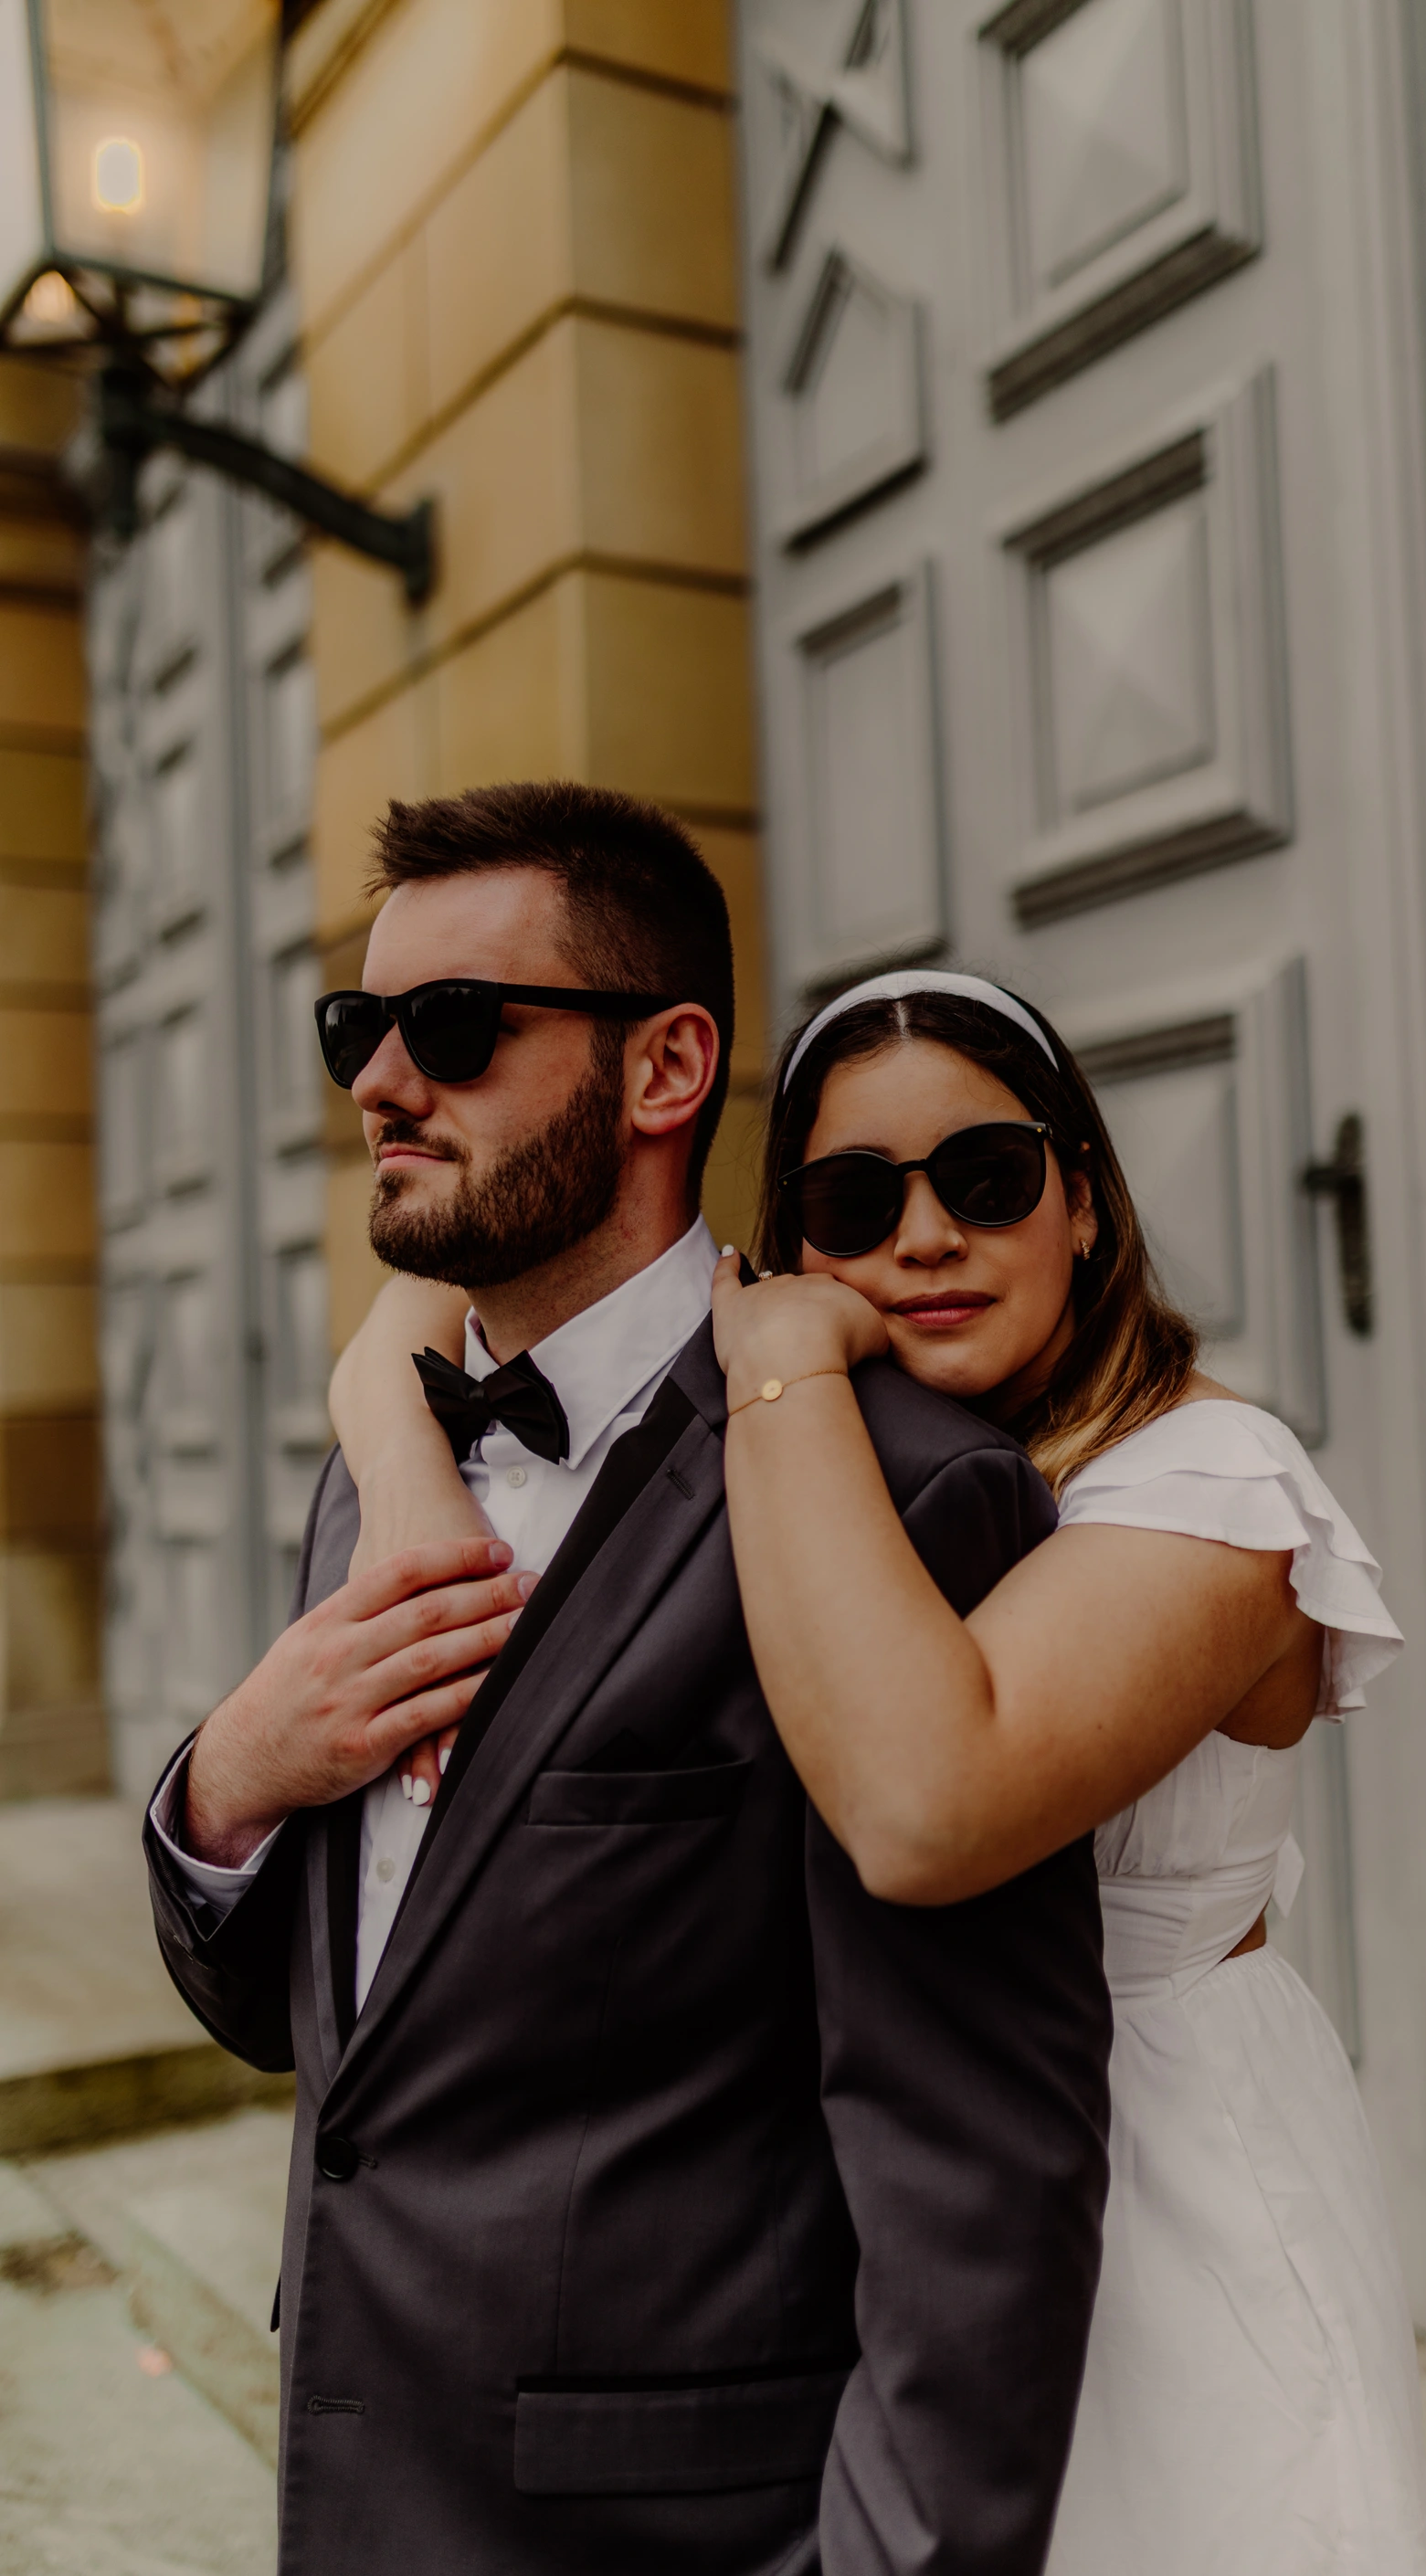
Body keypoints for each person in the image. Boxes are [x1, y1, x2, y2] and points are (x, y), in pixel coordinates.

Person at [339, 965, 1426, 2576]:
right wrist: (398, 1464)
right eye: (857, 1202)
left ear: (1083, 1202)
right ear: (795, 1238)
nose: (926, 1239)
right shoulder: (879, 1454)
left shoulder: (1215, 1484)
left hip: (1159, 2191)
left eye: (986, 1182)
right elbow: (407, 1314)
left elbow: (928, 1809)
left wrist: (778, 1370)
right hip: (865, 2200)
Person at [143, 799, 1113, 2576]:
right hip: (362, 2492)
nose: (376, 1084)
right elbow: (336, 2041)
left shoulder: (897, 1492)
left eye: (454, 1028)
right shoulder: (373, 1476)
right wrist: (224, 1793)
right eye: (359, 1032)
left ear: (667, 1066)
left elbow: (973, 2172)